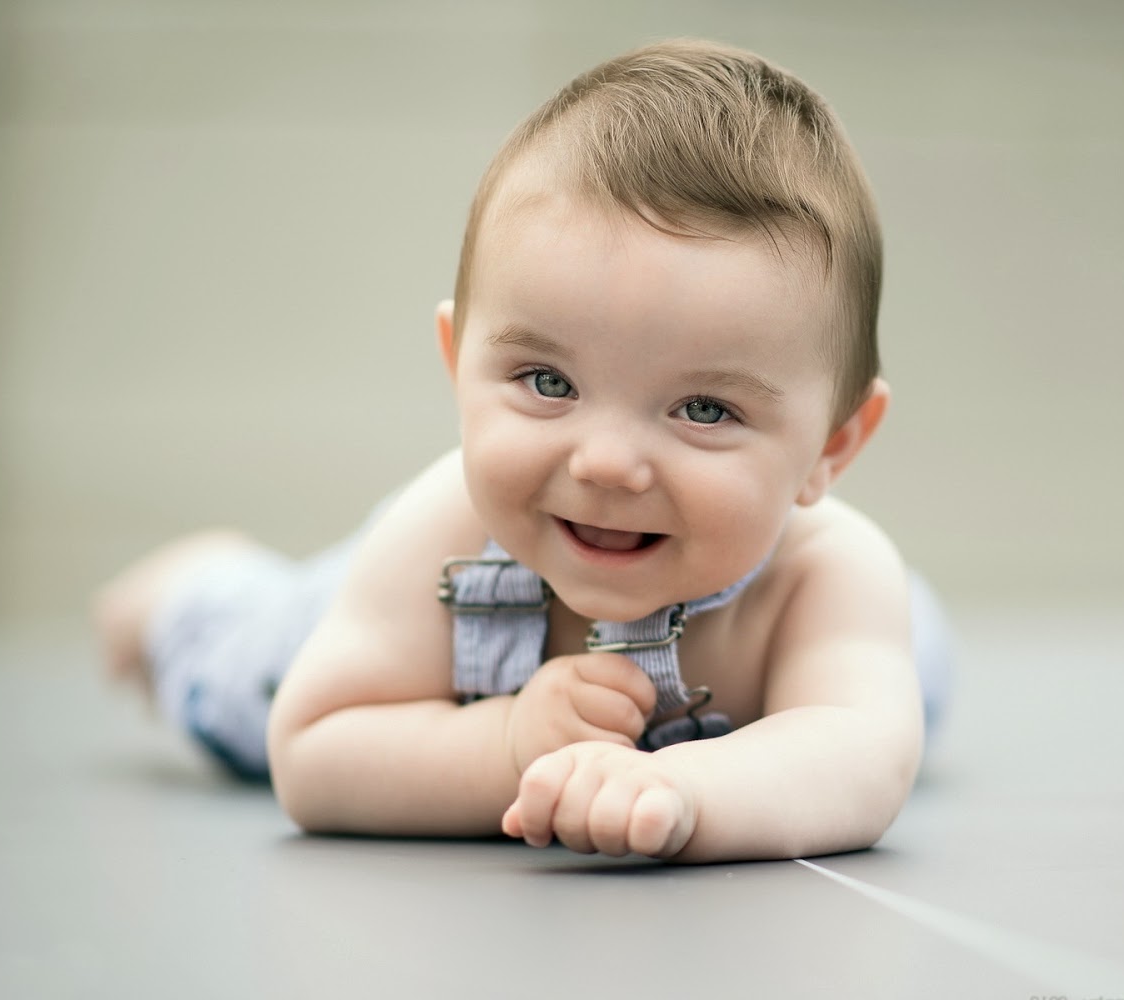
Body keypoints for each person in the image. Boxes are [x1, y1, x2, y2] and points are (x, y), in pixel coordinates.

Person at [95, 39, 951, 862]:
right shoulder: (448, 531)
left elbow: (859, 759)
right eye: (547, 383)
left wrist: (685, 792)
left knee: (905, 656)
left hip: (835, 616)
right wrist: (507, 743)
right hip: (381, 637)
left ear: (831, 449)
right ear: (455, 360)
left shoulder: (822, 575)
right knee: (244, 665)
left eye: (701, 408)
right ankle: (191, 591)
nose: (607, 463)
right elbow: (312, 755)